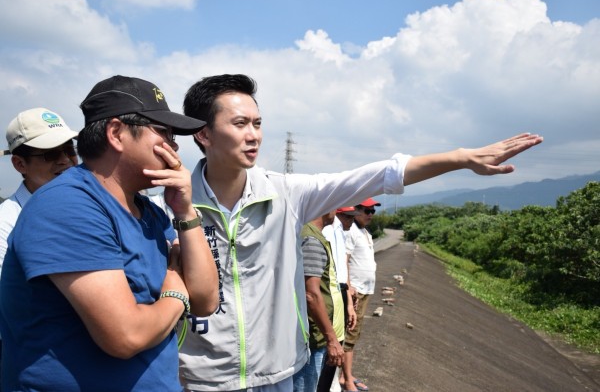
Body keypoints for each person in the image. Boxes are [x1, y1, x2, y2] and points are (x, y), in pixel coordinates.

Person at [177, 73, 542, 391]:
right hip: (204, 379)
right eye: (240, 123)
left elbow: (379, 175)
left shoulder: (287, 193)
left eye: (258, 123)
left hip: (279, 374)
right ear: (203, 134)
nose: (254, 135)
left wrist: (461, 158)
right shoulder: (172, 207)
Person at [0, 75, 219, 391]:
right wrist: (174, 295)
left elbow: (206, 300)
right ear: (116, 133)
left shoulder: (152, 212)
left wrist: (185, 211)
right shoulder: (67, 205)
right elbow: (125, 336)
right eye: (163, 131)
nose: (174, 145)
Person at [0, 107, 79, 385]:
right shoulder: (5, 223)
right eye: (50, 154)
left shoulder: (88, 210)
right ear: (19, 164)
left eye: (69, 150)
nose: (66, 161)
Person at [293, 211, 345, 392]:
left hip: (317, 333)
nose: (336, 211)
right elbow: (311, 295)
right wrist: (331, 338)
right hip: (313, 336)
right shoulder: (312, 240)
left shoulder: (312, 236)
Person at [340, 198, 381, 392]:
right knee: (350, 334)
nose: (370, 214)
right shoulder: (351, 232)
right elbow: (345, 261)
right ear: (356, 211)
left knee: (354, 335)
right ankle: (346, 380)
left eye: (372, 210)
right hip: (356, 291)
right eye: (367, 210)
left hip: (365, 289)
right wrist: (349, 289)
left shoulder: (364, 232)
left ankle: (346, 374)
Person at [321, 207, 360, 392]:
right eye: (347, 216)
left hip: (340, 293)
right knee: (330, 347)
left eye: (353, 216)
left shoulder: (340, 231)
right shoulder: (327, 230)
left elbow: (342, 268)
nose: (351, 220)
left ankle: (334, 384)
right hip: (330, 295)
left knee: (339, 341)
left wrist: (349, 301)